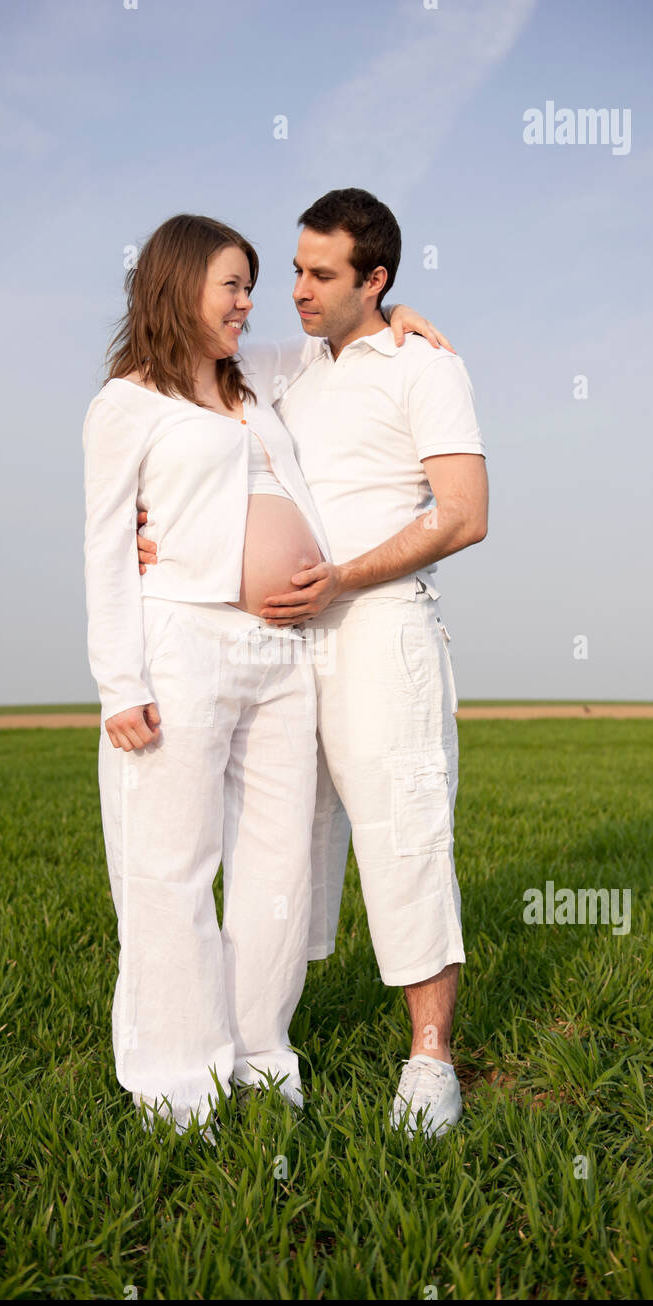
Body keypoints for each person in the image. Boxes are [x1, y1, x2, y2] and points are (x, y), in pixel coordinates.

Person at [137, 189, 488, 1140]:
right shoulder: (286, 364)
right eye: (291, 269)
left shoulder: (422, 366)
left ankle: (429, 1063)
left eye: (320, 274)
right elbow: (182, 372)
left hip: (380, 631)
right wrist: (148, 519)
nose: (293, 289)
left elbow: (462, 512)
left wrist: (341, 578)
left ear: (374, 280)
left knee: (403, 836)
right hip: (286, 645)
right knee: (281, 850)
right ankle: (260, 1050)